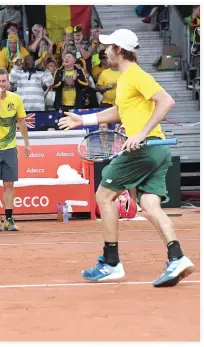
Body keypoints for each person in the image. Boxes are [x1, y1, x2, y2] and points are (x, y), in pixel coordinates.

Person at [58, 29, 194, 287]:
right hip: (158, 150)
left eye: (109, 47)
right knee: (150, 205)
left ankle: (111, 263)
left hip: (145, 148)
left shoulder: (134, 75)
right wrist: (83, 119)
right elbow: (120, 110)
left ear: (119, 50)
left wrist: (141, 133)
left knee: (103, 195)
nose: (105, 51)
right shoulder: (125, 79)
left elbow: (166, 101)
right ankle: (177, 257)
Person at [0, 68, 31, 232]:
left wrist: (26, 143)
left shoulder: (16, 99)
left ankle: (9, 219)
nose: (1, 84)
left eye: (4, 81)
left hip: (10, 147)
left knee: (9, 184)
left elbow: (22, 122)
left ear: (8, 81)